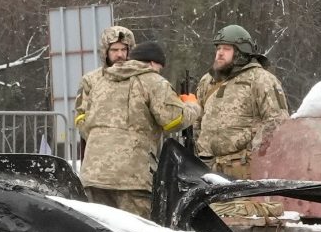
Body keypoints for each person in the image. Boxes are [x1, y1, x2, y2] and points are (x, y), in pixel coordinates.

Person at [73, 23, 188, 216]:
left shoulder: (140, 78)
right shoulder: (93, 80)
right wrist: (193, 106)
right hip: (129, 176)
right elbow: (81, 120)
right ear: (105, 52)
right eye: (114, 50)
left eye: (123, 50)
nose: (119, 55)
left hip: (95, 174)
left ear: (131, 51)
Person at [194, 24, 288, 178]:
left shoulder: (261, 79)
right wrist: (201, 150)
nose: (220, 53)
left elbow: (278, 120)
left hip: (243, 170)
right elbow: (198, 120)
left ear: (240, 52)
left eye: (226, 49)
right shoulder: (208, 81)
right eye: (218, 48)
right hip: (208, 169)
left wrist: (251, 149)